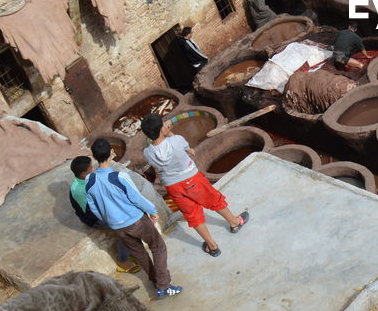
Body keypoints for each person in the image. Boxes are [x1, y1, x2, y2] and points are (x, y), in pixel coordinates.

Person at [85, 138, 182, 299]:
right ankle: (164, 285)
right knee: (158, 248)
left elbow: (93, 207)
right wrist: (152, 210)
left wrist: (109, 220)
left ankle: (155, 282)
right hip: (136, 220)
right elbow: (136, 199)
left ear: (94, 156)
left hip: (117, 227)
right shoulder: (120, 177)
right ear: (111, 152)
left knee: (140, 254)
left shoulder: (89, 181)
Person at [141, 114, 248, 258]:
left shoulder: (147, 153)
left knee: (192, 214)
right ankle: (234, 222)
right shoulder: (176, 141)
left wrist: (163, 132)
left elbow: (167, 148)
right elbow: (184, 146)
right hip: (191, 179)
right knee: (213, 199)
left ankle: (212, 246)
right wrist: (170, 132)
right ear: (161, 129)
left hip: (172, 186)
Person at [69, 155, 141, 275]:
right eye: (90, 169)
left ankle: (130, 250)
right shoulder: (79, 190)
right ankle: (122, 260)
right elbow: (92, 211)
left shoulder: (88, 179)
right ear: (83, 174)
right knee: (124, 229)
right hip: (93, 218)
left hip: (102, 208)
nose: (93, 170)